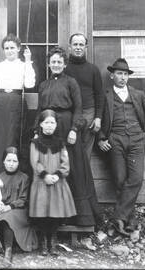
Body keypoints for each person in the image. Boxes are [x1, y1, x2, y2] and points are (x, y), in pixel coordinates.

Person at [35, 46, 100, 227]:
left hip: (66, 127)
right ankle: (54, 218)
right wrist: (36, 129)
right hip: (48, 128)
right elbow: (40, 109)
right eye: (53, 62)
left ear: (64, 65)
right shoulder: (43, 85)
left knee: (72, 168)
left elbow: (78, 108)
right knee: (51, 166)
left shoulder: (71, 82)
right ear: (49, 64)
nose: (56, 65)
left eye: (59, 62)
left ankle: (78, 217)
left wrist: (74, 129)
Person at [97, 58, 145, 236]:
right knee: (120, 179)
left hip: (136, 139)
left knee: (136, 178)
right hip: (115, 140)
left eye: (125, 74)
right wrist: (101, 138)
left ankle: (117, 219)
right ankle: (129, 221)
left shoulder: (138, 94)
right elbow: (97, 119)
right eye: (119, 73)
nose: (122, 77)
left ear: (128, 77)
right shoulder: (105, 95)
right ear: (112, 75)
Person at [29, 110, 76, 256]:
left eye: (52, 123)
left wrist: (57, 175)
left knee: (55, 211)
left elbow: (65, 161)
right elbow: (34, 161)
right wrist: (44, 175)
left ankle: (53, 240)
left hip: (57, 182)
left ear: (56, 125)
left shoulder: (60, 143)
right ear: (41, 124)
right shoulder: (35, 143)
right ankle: (43, 240)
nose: (49, 126)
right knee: (43, 212)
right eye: (46, 122)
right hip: (42, 182)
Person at [0, 34, 36, 174]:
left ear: (19, 48)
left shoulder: (23, 65)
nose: (9, 50)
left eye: (12, 48)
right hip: (0, 104)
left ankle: (13, 173)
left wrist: (27, 61)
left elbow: (29, 84)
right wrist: (3, 95)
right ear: (3, 50)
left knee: (13, 136)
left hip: (16, 103)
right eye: (6, 48)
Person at [0, 146, 38, 263]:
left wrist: (9, 206)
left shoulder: (24, 177)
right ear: (3, 161)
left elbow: (23, 199)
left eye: (14, 161)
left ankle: (8, 251)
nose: (11, 164)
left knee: (9, 217)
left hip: (18, 210)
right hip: (2, 209)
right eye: (8, 160)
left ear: (18, 163)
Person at [65, 33, 104, 161]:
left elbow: (99, 95)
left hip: (89, 113)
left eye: (81, 44)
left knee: (85, 153)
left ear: (85, 47)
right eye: (75, 44)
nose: (78, 47)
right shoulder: (64, 68)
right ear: (69, 47)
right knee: (68, 151)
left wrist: (98, 117)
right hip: (69, 113)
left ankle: (83, 180)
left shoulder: (93, 69)